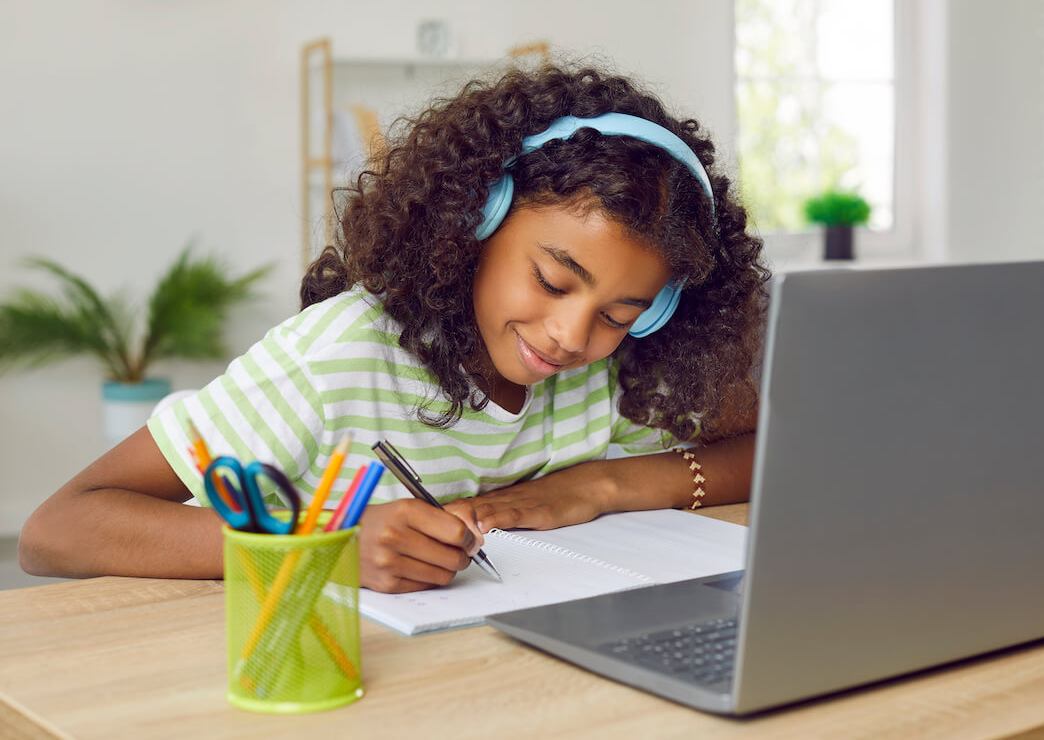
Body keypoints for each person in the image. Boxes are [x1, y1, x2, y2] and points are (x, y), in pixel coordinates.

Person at [19, 63, 770, 594]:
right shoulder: (341, 354)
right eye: (552, 280)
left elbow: (775, 448)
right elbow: (56, 530)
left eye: (619, 313)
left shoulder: (615, 372)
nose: (573, 335)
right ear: (477, 219)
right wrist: (325, 551)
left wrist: (605, 482)